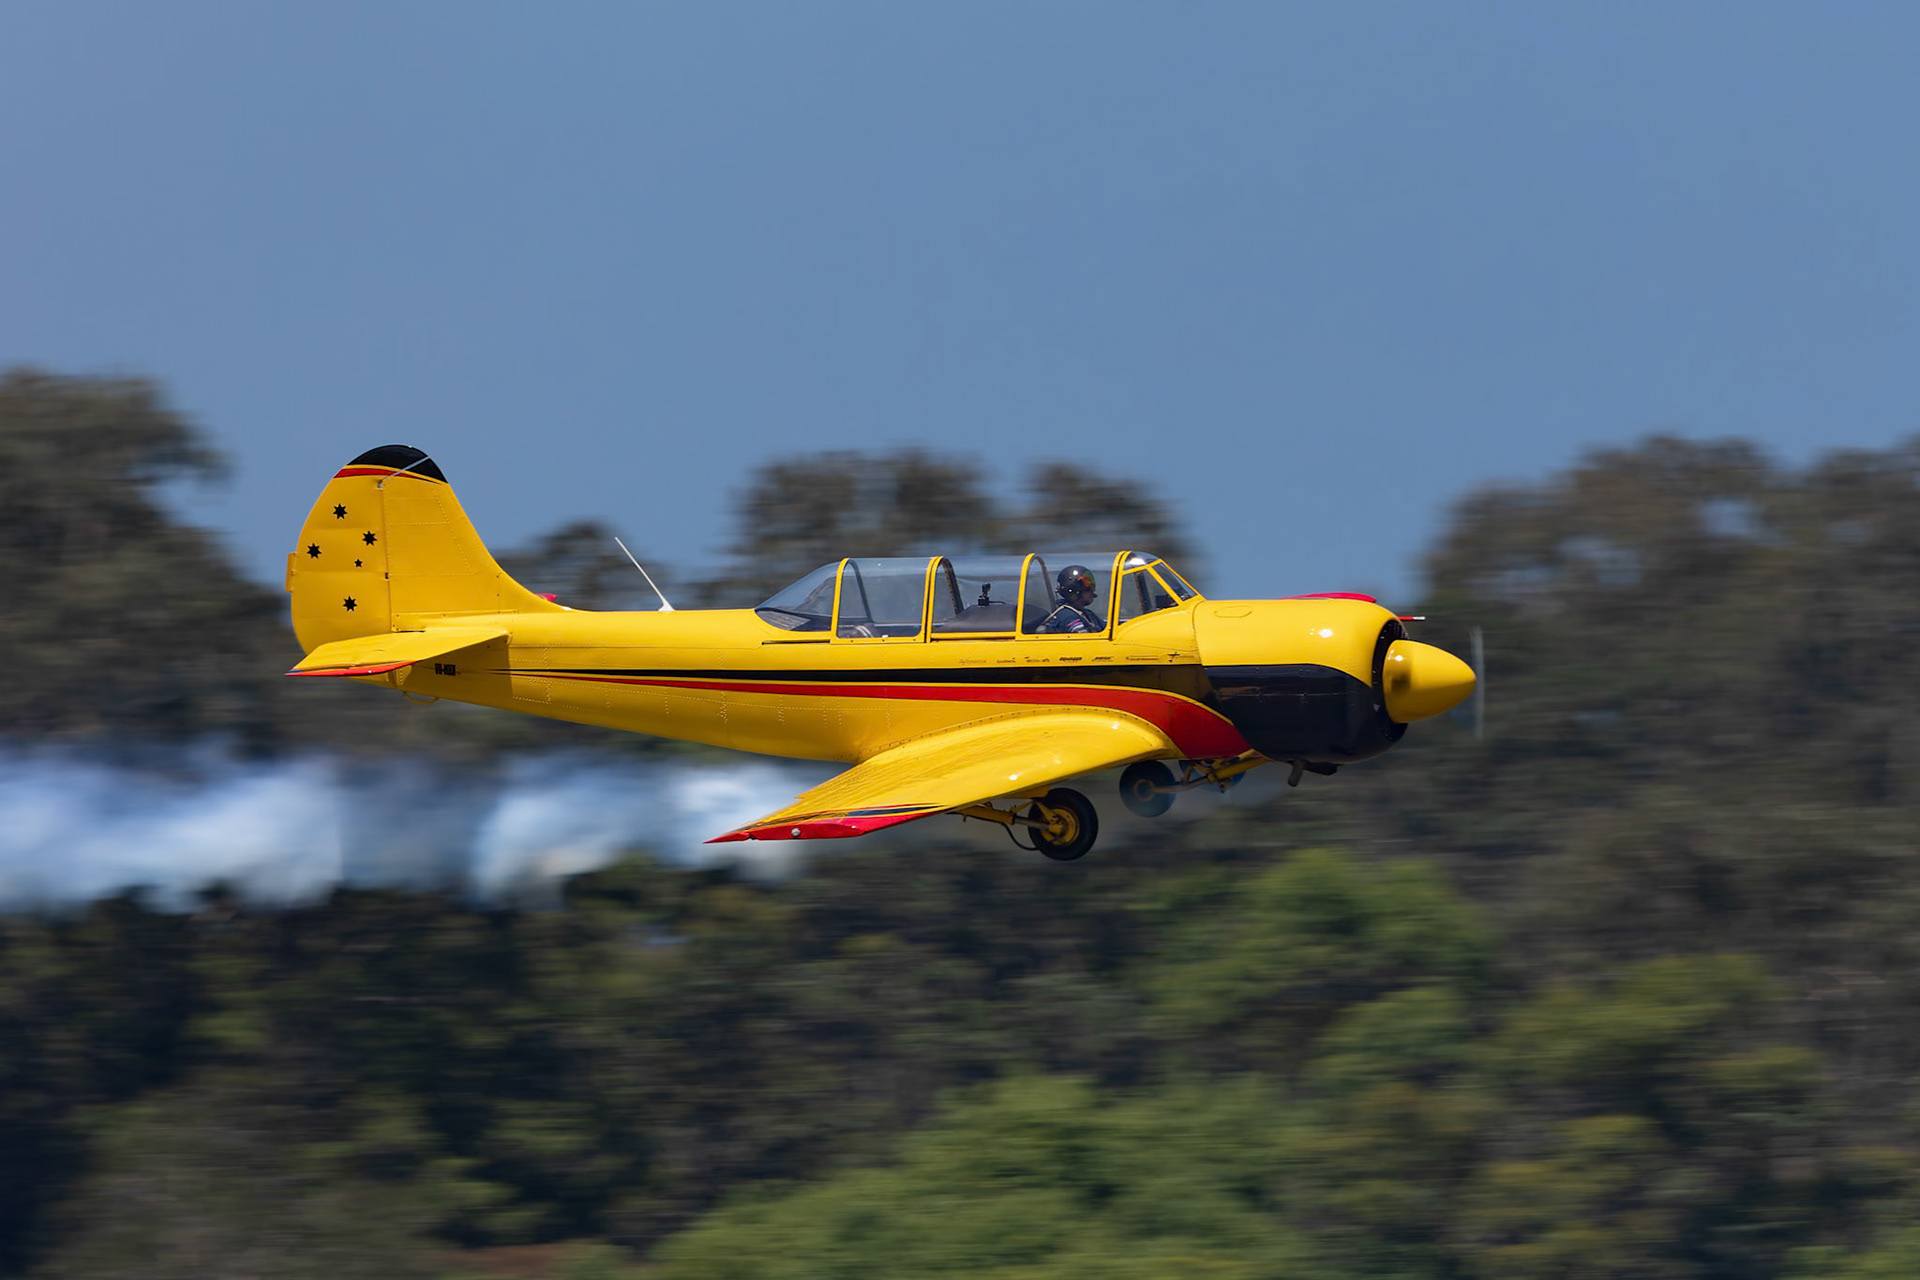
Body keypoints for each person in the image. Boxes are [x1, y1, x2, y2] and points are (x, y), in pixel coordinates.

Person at [1037, 564, 1105, 634]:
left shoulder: (1087, 614)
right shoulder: (1068, 615)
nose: (1092, 590)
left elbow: (1106, 627)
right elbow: (1083, 637)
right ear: (1074, 590)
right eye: (1087, 586)